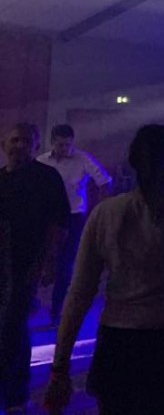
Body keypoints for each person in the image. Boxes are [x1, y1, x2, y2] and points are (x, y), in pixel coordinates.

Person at [44, 124, 164, 415]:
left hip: (118, 336)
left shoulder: (106, 213)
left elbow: (79, 292)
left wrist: (60, 365)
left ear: (131, 163)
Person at [0, 123, 69, 414]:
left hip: (27, 264)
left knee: (12, 327)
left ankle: (15, 395)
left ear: (36, 145)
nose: (20, 145)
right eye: (14, 140)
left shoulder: (46, 178)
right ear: (4, 144)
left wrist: (49, 261)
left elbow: (58, 223)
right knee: (12, 328)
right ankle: (15, 393)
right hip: (3, 265)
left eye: (26, 141)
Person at [36, 123, 113, 327]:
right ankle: (33, 304)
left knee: (66, 264)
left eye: (68, 145)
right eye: (61, 145)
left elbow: (104, 181)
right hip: (47, 216)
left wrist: (102, 209)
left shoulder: (82, 159)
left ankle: (58, 311)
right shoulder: (42, 161)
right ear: (52, 143)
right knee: (39, 259)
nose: (65, 149)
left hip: (73, 216)